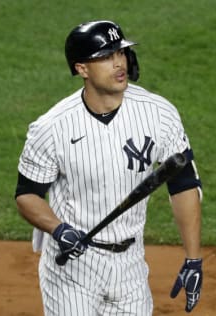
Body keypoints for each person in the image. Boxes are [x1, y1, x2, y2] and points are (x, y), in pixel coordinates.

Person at [15, 20, 203, 315]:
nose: (119, 63)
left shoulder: (158, 113)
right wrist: (59, 229)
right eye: (105, 57)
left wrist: (193, 258)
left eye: (121, 53)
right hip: (72, 269)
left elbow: (183, 184)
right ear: (81, 69)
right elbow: (27, 195)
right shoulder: (52, 128)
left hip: (131, 265)